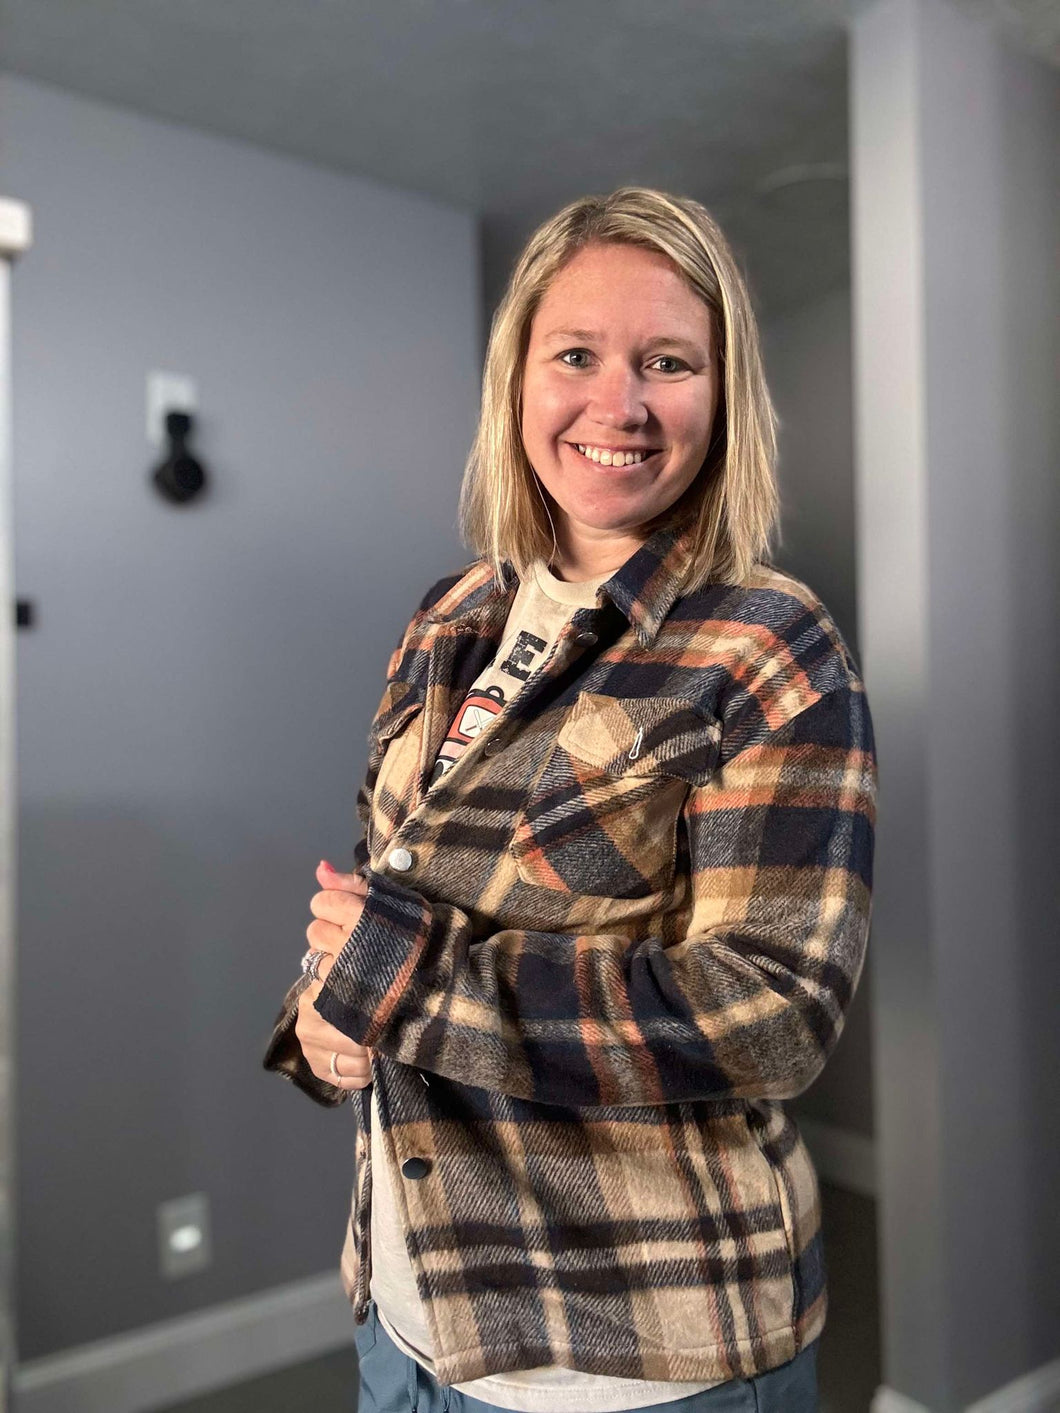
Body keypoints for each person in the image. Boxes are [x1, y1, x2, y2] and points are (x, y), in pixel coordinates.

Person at [264, 186, 877, 1413]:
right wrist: (324, 1023)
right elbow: (382, 901)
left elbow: (773, 1013)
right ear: (517, 382)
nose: (621, 404)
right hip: (405, 1309)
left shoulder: (768, 641)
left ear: (722, 394)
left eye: (668, 361)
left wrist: (411, 984)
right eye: (577, 356)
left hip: (633, 1356)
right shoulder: (447, 619)